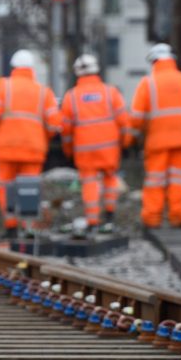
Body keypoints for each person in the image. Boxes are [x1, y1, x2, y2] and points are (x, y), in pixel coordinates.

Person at [0, 49, 61, 237]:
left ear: (13, 67)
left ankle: (10, 227)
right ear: (32, 69)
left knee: (6, 186)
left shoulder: (3, 87)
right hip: (33, 148)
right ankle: (27, 227)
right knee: (29, 187)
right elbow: (54, 124)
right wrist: (43, 138)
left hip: (6, 147)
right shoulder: (44, 91)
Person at [131, 43, 181, 228]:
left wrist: (135, 134)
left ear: (154, 61)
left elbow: (136, 118)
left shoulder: (147, 84)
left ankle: (152, 218)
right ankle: (178, 216)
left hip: (157, 142)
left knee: (155, 181)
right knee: (179, 180)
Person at [60, 54, 132, 233]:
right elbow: (124, 122)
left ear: (77, 73)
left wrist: (68, 151)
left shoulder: (71, 97)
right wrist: (125, 144)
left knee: (90, 184)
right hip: (109, 149)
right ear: (96, 70)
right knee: (109, 180)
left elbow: (66, 131)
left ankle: (92, 221)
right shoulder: (111, 92)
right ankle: (109, 218)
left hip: (85, 151)